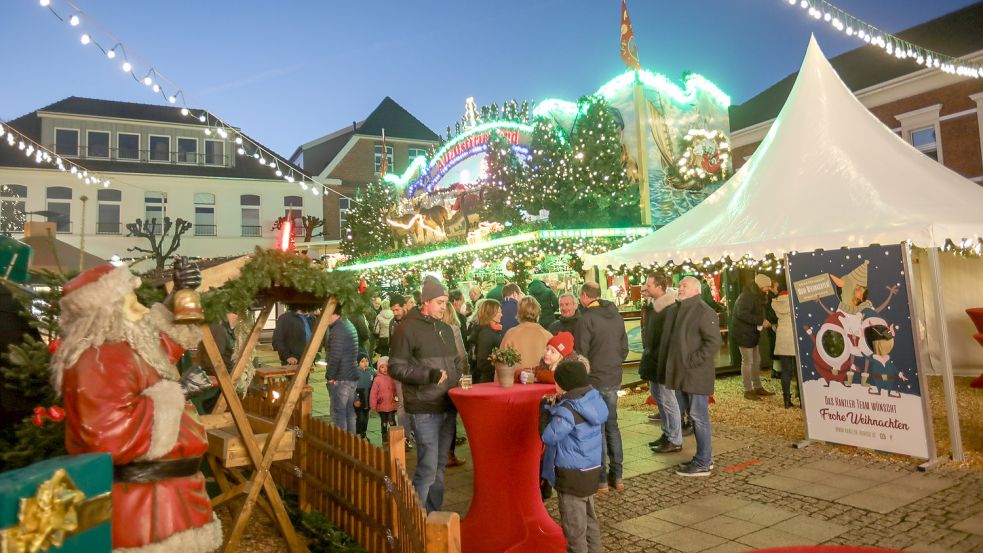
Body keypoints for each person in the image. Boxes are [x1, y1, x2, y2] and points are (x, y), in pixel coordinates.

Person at [53, 263, 222, 552]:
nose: (144, 309)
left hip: (170, 496)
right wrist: (178, 391)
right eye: (133, 305)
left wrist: (180, 292)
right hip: (146, 506)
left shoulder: (125, 346)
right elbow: (108, 438)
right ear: (108, 313)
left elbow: (165, 341)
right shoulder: (98, 359)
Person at [388, 275, 462, 512]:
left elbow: (456, 363)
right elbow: (395, 367)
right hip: (424, 409)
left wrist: (460, 375)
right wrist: (427, 374)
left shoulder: (446, 330)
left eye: (445, 302)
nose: (444, 306)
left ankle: (433, 517)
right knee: (428, 468)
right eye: (440, 302)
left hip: (447, 406)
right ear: (426, 301)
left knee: (439, 466)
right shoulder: (407, 329)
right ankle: (415, 520)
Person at [659, 276, 723, 477]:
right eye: (680, 285)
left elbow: (713, 342)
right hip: (682, 374)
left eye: (685, 285)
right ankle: (705, 458)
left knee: (698, 417)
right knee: (693, 417)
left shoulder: (703, 311)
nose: (680, 288)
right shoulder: (680, 309)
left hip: (695, 374)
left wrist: (691, 361)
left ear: (696, 290)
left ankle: (704, 461)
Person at [541, 361, 607, 553]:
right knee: (590, 523)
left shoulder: (568, 409)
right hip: (590, 471)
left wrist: (545, 409)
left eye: (557, 382)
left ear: (565, 385)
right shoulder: (593, 399)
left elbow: (548, 436)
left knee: (574, 531)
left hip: (571, 477)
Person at [573, 282, 628, 493]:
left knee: (598, 429)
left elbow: (581, 354)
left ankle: (602, 479)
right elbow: (624, 348)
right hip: (613, 377)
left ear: (585, 296)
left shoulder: (586, 319)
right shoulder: (615, 316)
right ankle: (619, 476)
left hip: (594, 380)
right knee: (612, 425)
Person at [638, 272, 685, 454]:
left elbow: (670, 338)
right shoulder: (654, 306)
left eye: (649, 285)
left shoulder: (670, 308)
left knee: (667, 399)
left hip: (664, 360)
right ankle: (667, 434)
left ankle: (675, 438)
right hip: (654, 358)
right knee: (659, 398)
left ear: (659, 287)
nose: (645, 287)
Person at [733, 273, 777, 400]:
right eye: (767, 287)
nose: (768, 289)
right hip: (743, 333)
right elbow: (740, 313)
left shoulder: (757, 295)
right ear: (760, 286)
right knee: (747, 362)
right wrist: (760, 321)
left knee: (756, 361)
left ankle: (757, 387)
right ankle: (748, 390)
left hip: (751, 333)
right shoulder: (746, 297)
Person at [441, 297, 469, 468]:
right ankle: (449, 455)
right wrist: (465, 375)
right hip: (451, 378)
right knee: (450, 417)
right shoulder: (453, 329)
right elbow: (461, 355)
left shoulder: (432, 329)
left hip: (435, 379)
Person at [500, 296, 553, 378]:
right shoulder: (548, 336)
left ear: (519, 313)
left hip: (516, 385)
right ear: (538, 312)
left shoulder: (511, 334)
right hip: (542, 384)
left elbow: (501, 365)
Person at [326, 304, 359, 433]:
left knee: (339, 413)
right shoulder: (347, 324)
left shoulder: (338, 330)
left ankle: (342, 445)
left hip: (341, 378)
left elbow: (335, 356)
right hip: (351, 375)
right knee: (349, 413)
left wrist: (330, 377)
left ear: (333, 314)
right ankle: (351, 444)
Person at [771, 281, 799, 408]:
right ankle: (802, 400)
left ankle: (786, 400)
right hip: (794, 337)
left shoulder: (775, 303)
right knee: (799, 371)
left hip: (782, 337)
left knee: (786, 371)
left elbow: (774, 323)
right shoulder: (794, 301)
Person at [468, 299, 503, 384]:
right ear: (490, 313)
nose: (501, 315)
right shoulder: (486, 333)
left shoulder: (490, 331)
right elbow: (482, 363)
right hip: (486, 381)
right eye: (498, 312)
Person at [370, 357, 399, 443]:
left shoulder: (392, 378)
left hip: (391, 404)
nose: (385, 369)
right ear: (379, 368)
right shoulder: (377, 380)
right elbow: (373, 393)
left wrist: (397, 398)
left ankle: (395, 436)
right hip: (381, 405)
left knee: (392, 420)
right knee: (384, 421)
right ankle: (384, 436)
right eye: (382, 367)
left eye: (387, 366)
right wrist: (373, 406)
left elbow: (397, 390)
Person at [354, 352, 375, 439]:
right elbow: (351, 387)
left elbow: (378, 378)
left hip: (368, 397)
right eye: (362, 361)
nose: (365, 363)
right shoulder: (355, 373)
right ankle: (358, 432)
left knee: (366, 417)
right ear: (358, 362)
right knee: (360, 417)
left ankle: (364, 432)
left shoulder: (371, 371)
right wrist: (355, 399)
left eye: (366, 361)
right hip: (359, 397)